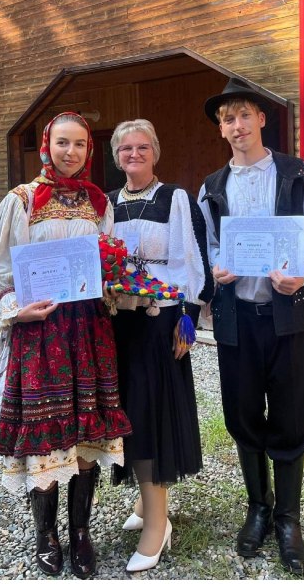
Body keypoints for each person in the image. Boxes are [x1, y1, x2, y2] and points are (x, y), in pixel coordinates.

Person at [197, 77, 304, 575]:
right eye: (227, 118)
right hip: (237, 320)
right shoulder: (211, 187)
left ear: (260, 119)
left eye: (244, 115)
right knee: (242, 413)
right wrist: (215, 270)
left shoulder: (296, 174)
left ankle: (288, 518)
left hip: (286, 320)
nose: (237, 126)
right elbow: (209, 247)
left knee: (292, 412)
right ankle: (257, 509)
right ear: (221, 128)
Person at [0, 111, 132, 579]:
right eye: (63, 143)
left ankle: (81, 531)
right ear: (47, 146)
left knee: (86, 434)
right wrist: (16, 307)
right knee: (46, 433)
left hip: (88, 329)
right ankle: (46, 534)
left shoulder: (97, 203)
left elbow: (107, 260)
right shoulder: (21, 199)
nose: (71, 152)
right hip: (41, 331)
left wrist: (114, 281)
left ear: (90, 149)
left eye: (81, 145)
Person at [105, 119, 212, 572]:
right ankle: (144, 503)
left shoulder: (175, 198)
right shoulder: (107, 203)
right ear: (116, 155)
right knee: (128, 410)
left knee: (149, 413)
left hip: (158, 319)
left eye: (142, 147)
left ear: (156, 151)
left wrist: (187, 319)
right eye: (126, 148)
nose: (134, 154)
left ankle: (158, 524)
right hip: (118, 321)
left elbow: (189, 256)